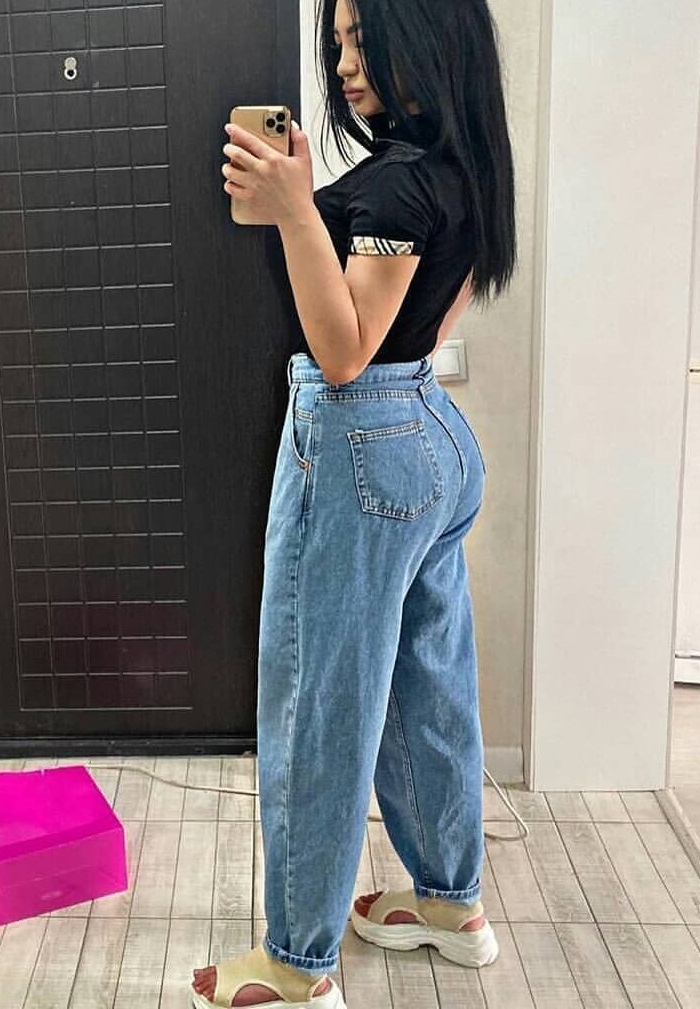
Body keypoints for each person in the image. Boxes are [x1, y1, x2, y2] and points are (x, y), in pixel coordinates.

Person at [190, 0, 516, 1005]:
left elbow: (342, 353)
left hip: (360, 443)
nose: (345, 64)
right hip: (428, 433)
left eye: (365, 40)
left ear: (428, 39)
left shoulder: (400, 184)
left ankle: (297, 963)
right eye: (338, 43)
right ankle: (451, 904)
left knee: (318, 700)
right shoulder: (460, 168)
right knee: (428, 682)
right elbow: (425, 321)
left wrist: (300, 213)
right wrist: (296, 203)